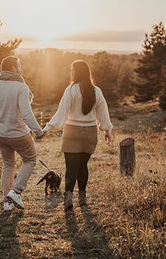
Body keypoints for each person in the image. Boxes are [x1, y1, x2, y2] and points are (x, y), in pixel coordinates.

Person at [42, 60, 113, 211]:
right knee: (82, 166)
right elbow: (103, 112)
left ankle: (68, 198)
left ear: (76, 72)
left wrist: (48, 127)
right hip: (90, 133)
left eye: (72, 70)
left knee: (71, 167)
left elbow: (61, 112)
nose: (70, 73)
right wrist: (107, 130)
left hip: (72, 131)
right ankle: (82, 198)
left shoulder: (71, 90)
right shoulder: (96, 91)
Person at [0, 56, 44, 211]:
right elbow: (26, 114)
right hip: (18, 133)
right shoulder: (21, 87)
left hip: (0, 133)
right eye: (19, 66)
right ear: (13, 68)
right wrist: (38, 131)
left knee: (8, 164)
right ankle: (16, 191)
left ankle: (7, 203)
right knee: (30, 159)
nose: (21, 69)